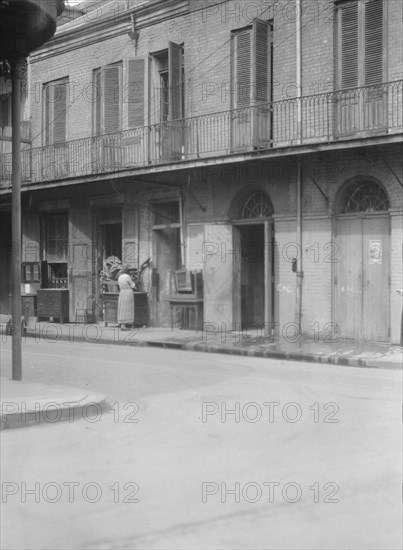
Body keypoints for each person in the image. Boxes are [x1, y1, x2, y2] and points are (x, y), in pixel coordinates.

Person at [117, 266, 136, 330]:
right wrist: (134, 284)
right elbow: (132, 285)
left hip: (122, 292)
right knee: (128, 308)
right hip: (128, 292)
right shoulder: (127, 276)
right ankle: (130, 324)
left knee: (122, 308)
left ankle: (123, 324)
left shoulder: (120, 277)